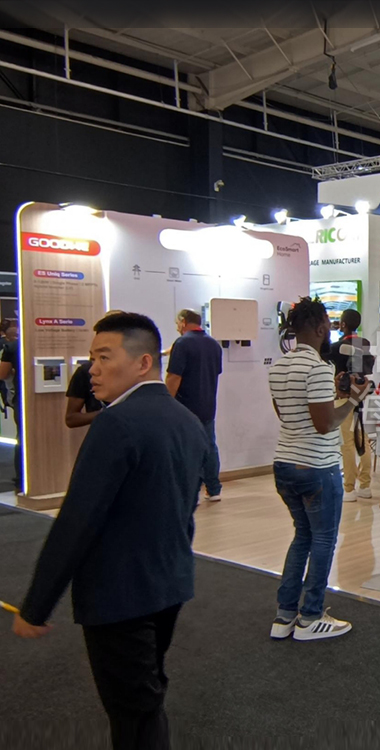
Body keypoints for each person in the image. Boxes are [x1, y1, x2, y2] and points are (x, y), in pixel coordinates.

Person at [12, 312, 207, 750]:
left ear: (143, 362)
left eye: (104, 357)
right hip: (169, 583)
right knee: (146, 691)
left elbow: (77, 520)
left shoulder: (115, 424)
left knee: (133, 711)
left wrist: (36, 606)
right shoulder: (186, 420)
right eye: (91, 358)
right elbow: (184, 509)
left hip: (120, 594)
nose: (92, 370)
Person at [268, 296, 370, 642]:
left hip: (284, 463)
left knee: (302, 536)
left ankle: (284, 615)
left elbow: (287, 415)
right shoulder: (318, 368)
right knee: (324, 539)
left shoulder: (278, 367)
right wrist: (353, 399)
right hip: (317, 467)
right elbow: (325, 424)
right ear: (321, 327)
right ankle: (311, 616)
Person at [166, 309, 223, 503]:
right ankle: (213, 489)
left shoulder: (182, 343)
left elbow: (174, 377)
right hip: (208, 405)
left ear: (183, 322)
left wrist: (166, 402)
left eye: (177, 323)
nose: (177, 327)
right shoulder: (213, 344)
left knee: (187, 448)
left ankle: (191, 491)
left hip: (185, 406)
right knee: (209, 446)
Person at [327, 309, 374, 502]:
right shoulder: (365, 344)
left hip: (343, 396)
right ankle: (365, 485)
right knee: (362, 440)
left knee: (347, 443)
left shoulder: (336, 347)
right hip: (361, 395)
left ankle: (349, 487)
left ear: (343, 324)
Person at [0, 321, 21, 492]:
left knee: (22, 438)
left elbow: (2, 373)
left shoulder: (11, 348)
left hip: (21, 398)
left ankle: (21, 479)